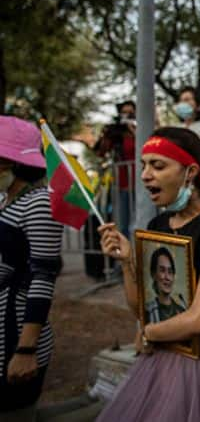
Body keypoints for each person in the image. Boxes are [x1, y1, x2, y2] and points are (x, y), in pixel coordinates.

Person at [96, 127, 200, 422]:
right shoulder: (158, 224)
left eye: (158, 165)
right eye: (144, 165)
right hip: (159, 359)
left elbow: (199, 319)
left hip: (199, 366)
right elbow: (143, 308)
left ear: (189, 171)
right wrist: (127, 261)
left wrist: (148, 333)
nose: (145, 175)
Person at [0, 117, 64, 420]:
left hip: (13, 340)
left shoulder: (38, 203)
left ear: (11, 164)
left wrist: (26, 351)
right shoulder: (4, 200)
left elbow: (43, 276)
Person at [94, 100, 137, 238]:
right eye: (124, 112)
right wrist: (106, 135)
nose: (127, 115)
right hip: (123, 185)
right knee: (124, 224)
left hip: (143, 183)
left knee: (144, 221)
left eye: (130, 112)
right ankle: (127, 255)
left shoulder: (141, 129)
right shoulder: (117, 133)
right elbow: (100, 152)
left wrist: (135, 131)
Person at [144, 247, 187, 323]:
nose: (167, 277)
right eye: (162, 270)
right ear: (153, 274)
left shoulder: (182, 311)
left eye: (170, 272)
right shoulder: (147, 311)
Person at [174, 86, 200, 152]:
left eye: (187, 100)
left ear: (198, 106)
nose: (183, 104)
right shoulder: (175, 129)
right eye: (181, 101)